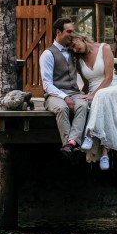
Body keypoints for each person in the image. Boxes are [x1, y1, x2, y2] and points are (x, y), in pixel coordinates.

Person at [69, 35, 117, 171]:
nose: (75, 50)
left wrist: (94, 94)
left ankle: (89, 134)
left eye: (74, 46)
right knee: (103, 104)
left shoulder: (105, 48)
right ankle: (104, 153)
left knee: (101, 95)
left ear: (80, 38)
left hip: (115, 88)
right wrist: (80, 95)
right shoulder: (78, 60)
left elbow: (109, 77)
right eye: (72, 49)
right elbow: (86, 84)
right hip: (96, 94)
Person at [40, 18, 89, 157]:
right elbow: (47, 84)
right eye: (69, 31)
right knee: (62, 108)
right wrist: (65, 97)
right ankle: (69, 145)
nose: (72, 34)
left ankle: (71, 144)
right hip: (54, 95)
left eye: (72, 31)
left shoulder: (74, 51)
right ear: (58, 32)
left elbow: (91, 55)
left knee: (82, 105)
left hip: (74, 92)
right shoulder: (48, 54)